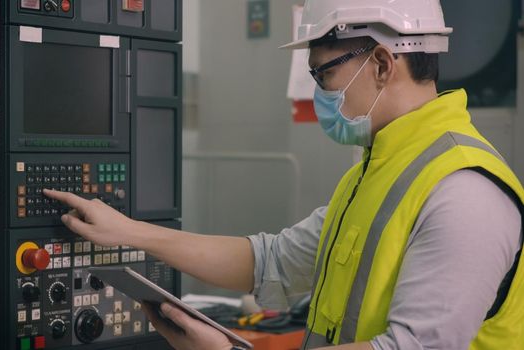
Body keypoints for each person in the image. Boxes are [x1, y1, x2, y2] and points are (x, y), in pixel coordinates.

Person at [44, 0, 524, 349]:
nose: (320, 96)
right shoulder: (379, 170)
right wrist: (127, 233)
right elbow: (270, 261)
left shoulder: (464, 192)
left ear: (381, 63)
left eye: (324, 76)